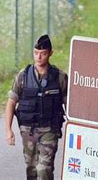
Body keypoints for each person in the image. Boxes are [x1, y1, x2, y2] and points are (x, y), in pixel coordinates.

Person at [5, 35, 68, 180]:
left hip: (49, 130)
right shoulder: (23, 76)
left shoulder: (59, 77)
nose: (39, 57)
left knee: (44, 170)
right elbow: (11, 102)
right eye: (36, 53)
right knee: (32, 170)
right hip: (28, 131)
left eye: (43, 53)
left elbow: (68, 104)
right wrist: (8, 130)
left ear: (50, 53)